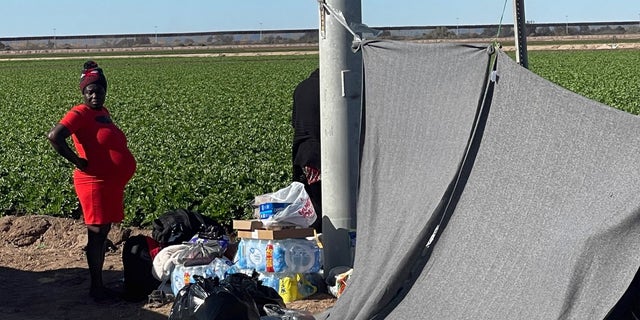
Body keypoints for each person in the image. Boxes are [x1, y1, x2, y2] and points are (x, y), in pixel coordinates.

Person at [47, 61, 136, 302]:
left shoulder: (102, 113)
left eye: (99, 90)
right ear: (83, 93)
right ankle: (96, 289)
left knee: (102, 231)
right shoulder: (80, 112)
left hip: (108, 183)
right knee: (96, 233)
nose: (96, 95)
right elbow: (55, 137)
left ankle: (99, 285)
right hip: (93, 182)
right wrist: (77, 161)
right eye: (90, 91)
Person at [291, 68, 322, 232]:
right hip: (319, 154)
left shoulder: (301, 88)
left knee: (309, 201)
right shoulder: (328, 86)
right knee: (321, 204)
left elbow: (294, 122)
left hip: (302, 154)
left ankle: (309, 239)